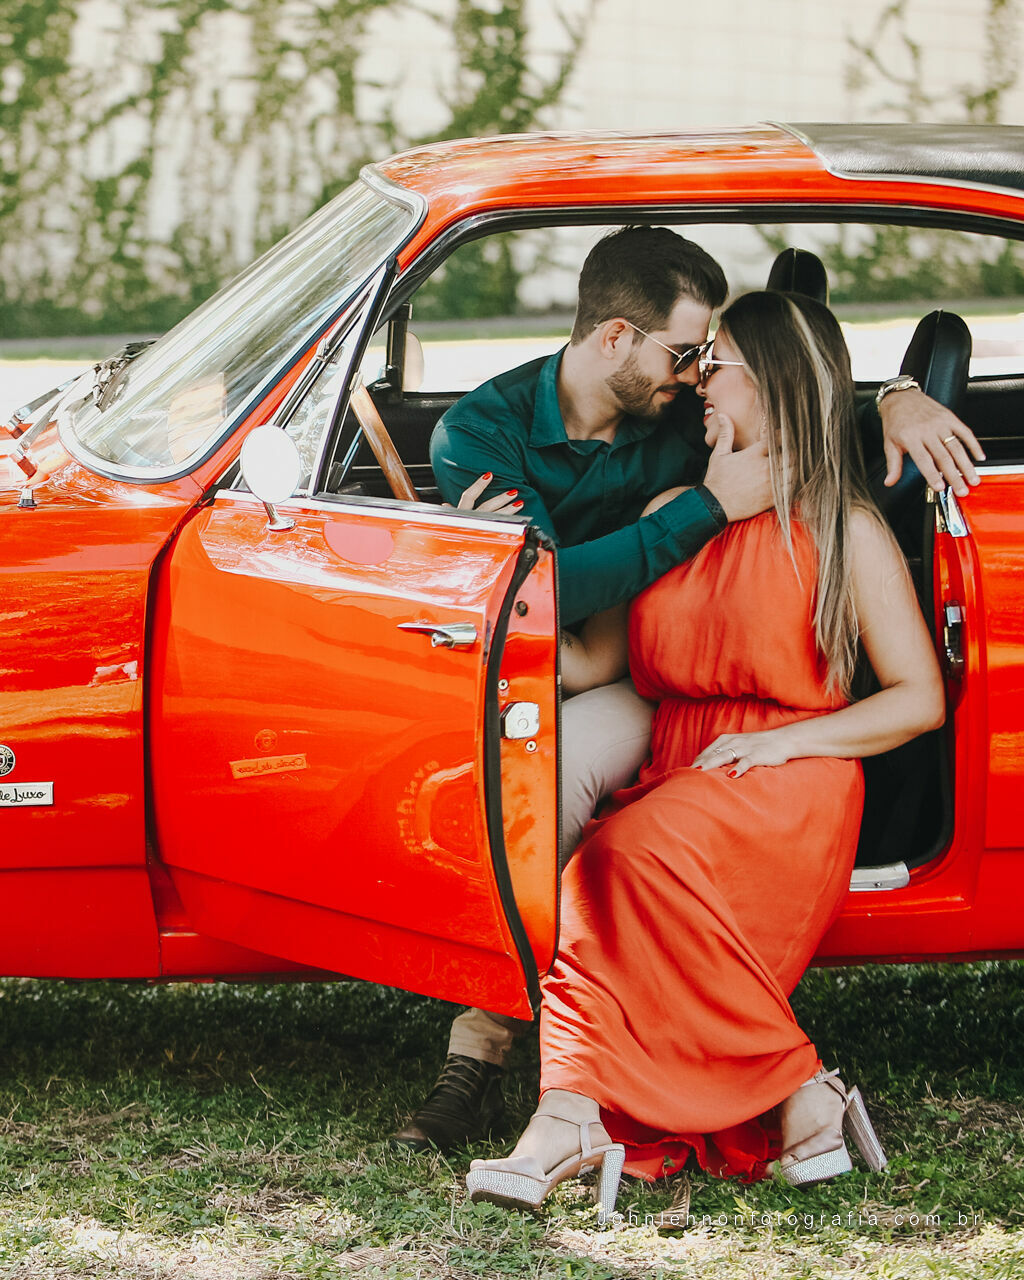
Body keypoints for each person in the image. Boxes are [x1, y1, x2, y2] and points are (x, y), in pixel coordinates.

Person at [395, 226, 984, 1152]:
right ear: (616, 340)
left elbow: (794, 383)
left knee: (593, 823)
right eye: (685, 355)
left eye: (710, 360)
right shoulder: (481, 432)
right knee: (537, 789)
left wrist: (900, 396)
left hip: (662, 681)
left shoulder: (684, 409)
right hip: (605, 659)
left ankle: (591, 1090)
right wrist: (703, 511)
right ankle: (483, 1050)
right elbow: (549, 606)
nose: (698, 373)